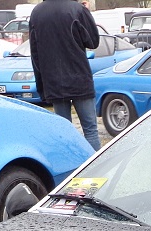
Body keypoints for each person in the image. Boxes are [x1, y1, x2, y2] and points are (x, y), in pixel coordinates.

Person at [29, 0, 102, 150]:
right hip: (80, 79)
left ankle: (69, 164)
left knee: (64, 132)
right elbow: (93, 42)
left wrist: (41, 86)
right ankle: (95, 164)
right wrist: (87, 13)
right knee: (90, 130)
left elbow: (35, 54)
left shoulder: (37, 13)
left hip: (54, 82)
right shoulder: (77, 9)